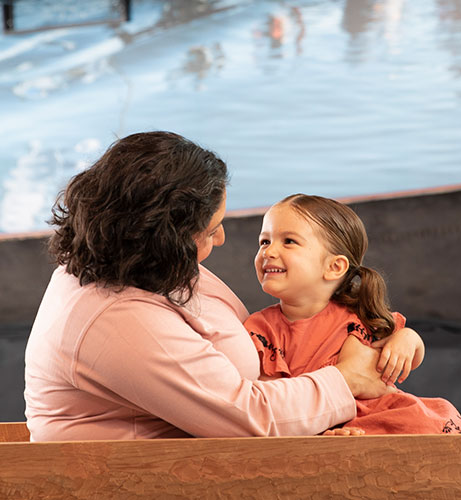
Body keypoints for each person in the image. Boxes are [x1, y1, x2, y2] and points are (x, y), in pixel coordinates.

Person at [24, 131, 397, 442]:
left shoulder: (146, 264)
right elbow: (248, 417)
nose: (219, 239)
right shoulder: (114, 316)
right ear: (166, 237)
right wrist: (345, 380)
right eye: (209, 229)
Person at [244, 194, 461, 435]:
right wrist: (318, 432)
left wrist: (408, 339)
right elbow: (273, 402)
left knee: (432, 415)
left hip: (382, 413)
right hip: (322, 420)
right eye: (264, 241)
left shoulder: (357, 315)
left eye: (288, 241)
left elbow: (411, 354)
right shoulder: (260, 328)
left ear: (334, 267)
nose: (268, 251)